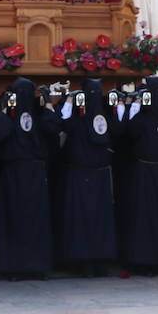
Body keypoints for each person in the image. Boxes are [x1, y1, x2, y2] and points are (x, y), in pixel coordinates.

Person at [0, 78, 58, 278]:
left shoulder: (38, 114)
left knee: (35, 221)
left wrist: (47, 105)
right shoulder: (9, 113)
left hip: (34, 173)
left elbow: (53, 129)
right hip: (13, 174)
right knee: (13, 220)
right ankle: (14, 267)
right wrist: (7, 112)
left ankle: (37, 266)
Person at [117, 76, 158, 275]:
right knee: (147, 217)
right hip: (147, 174)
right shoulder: (142, 118)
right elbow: (130, 135)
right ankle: (146, 261)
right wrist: (136, 109)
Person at [56, 79, 117, 275]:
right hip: (97, 176)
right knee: (98, 219)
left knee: (82, 219)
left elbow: (62, 124)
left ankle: (83, 262)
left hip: (80, 175)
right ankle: (98, 260)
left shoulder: (78, 118)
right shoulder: (105, 115)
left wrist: (68, 103)